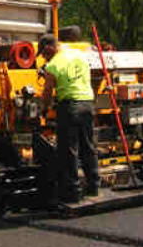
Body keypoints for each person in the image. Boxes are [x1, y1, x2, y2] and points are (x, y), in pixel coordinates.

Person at [38, 34, 100, 203]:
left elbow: (47, 91)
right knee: (88, 146)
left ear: (49, 47)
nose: (44, 58)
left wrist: (43, 109)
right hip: (87, 104)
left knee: (69, 149)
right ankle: (94, 185)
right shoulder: (79, 55)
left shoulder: (53, 64)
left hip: (69, 107)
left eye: (44, 54)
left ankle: (73, 191)